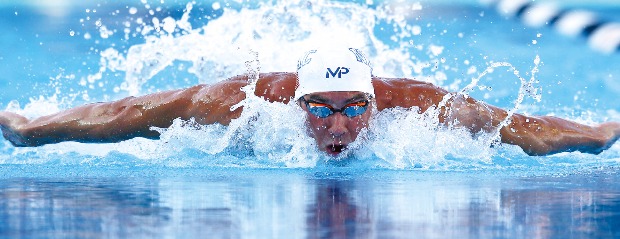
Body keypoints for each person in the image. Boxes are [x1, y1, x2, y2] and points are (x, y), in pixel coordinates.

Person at [0, 48, 618, 156]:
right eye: (321, 109)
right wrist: (30, 127)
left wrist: (598, 132)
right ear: (297, 103)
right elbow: (128, 113)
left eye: (354, 108)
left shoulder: (417, 106)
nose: (340, 125)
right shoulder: (239, 104)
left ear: (375, 103)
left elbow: (530, 130)